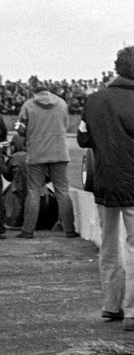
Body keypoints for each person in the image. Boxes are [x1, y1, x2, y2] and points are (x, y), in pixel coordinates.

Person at [77, 45, 134, 331]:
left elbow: (83, 140)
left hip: (105, 181)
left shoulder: (93, 101)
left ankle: (111, 305)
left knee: (108, 246)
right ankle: (133, 312)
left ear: (117, 67)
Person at [15, 84, 77, 239]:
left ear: (33, 93)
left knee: (34, 192)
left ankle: (28, 230)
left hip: (36, 152)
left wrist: (23, 128)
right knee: (62, 190)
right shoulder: (62, 103)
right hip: (59, 151)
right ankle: (69, 229)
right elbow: (66, 125)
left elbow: (20, 129)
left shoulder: (28, 105)